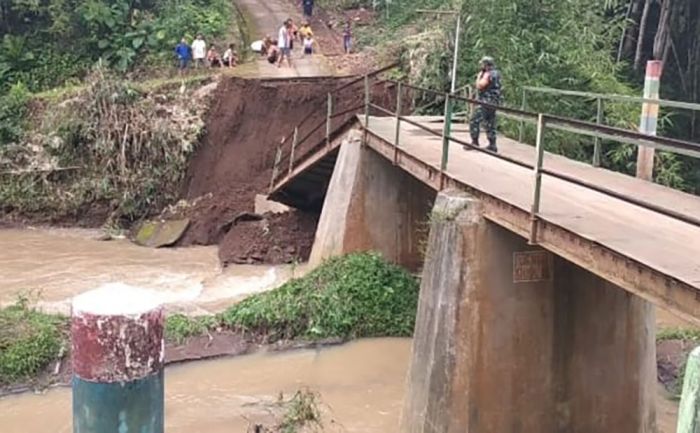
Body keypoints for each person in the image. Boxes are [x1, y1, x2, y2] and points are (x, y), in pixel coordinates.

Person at [469, 56, 502, 152]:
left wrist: (479, 77)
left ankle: (474, 142)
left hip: (485, 101)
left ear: (486, 65)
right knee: (490, 122)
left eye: (483, 64)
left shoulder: (488, 74)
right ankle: (492, 144)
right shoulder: (497, 73)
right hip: (494, 102)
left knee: (474, 120)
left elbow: (480, 85)